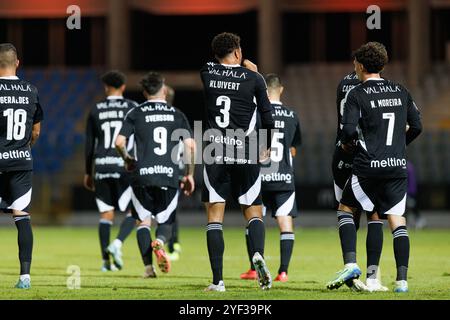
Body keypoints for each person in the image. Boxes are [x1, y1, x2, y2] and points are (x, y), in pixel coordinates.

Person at [326, 42, 422, 293]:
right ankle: (398, 281)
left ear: (358, 64)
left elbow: (346, 130)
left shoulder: (355, 93)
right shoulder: (401, 90)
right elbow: (417, 126)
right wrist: (399, 146)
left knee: (346, 210)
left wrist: (350, 145)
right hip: (396, 166)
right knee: (394, 220)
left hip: (367, 165)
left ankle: (350, 264)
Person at [200, 32, 275, 292]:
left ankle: (218, 281)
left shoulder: (207, 73)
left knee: (215, 215)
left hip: (215, 150)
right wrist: (267, 145)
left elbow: (215, 66)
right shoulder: (254, 79)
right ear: (237, 52)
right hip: (246, 149)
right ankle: (257, 257)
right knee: (253, 211)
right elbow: (269, 117)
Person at [115, 72, 195, 278]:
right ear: (164, 90)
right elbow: (190, 147)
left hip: (142, 175)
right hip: (168, 175)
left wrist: (127, 159)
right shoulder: (177, 114)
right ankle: (159, 242)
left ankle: (148, 269)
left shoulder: (135, 113)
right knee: (166, 221)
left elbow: (119, 142)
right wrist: (190, 174)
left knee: (142, 221)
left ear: (144, 91)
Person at [240, 74, 301, 283]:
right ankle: (283, 272)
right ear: (281, 90)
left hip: (259, 176)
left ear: (264, 92)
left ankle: (253, 268)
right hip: (283, 178)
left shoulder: (256, 114)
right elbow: (293, 147)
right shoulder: (292, 115)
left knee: (254, 220)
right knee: (285, 223)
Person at [332, 70, 388, 292]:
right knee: (373, 214)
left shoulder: (343, 83)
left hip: (341, 154)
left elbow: (343, 123)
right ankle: (373, 277)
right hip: (369, 154)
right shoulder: (378, 88)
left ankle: (351, 271)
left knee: (347, 213)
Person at [84, 70, 138, 272]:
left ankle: (105, 263)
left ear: (106, 88)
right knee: (134, 211)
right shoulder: (133, 108)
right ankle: (117, 244)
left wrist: (88, 172)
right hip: (124, 165)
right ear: (123, 87)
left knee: (106, 215)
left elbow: (89, 144)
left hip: (102, 165)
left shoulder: (96, 109)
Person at [0, 43, 43, 289]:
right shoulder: (31, 90)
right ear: (17, 62)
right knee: (22, 216)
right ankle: (25, 276)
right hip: (20, 161)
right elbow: (35, 131)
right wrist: (21, 149)